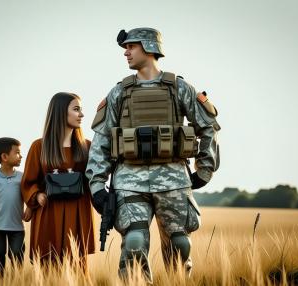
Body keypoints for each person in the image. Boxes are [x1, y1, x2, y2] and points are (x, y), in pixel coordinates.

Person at [86, 27, 221, 282]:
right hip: (129, 180)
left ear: (148, 47)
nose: (126, 53)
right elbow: (101, 139)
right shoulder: (119, 92)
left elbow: (209, 126)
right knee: (134, 242)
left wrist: (204, 169)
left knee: (180, 244)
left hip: (173, 180)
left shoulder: (179, 88)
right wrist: (96, 184)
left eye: (131, 47)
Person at [21, 92, 95, 270]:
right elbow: (28, 182)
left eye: (81, 110)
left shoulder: (88, 147)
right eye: (76, 109)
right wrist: (36, 196)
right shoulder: (39, 146)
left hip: (77, 212)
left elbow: (95, 180)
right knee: (47, 267)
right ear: (61, 112)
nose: (82, 115)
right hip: (48, 213)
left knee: (76, 267)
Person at [0, 137, 32, 275]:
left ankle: (17, 280)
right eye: (17, 152)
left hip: (17, 226)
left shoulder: (22, 177)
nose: (21, 156)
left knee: (16, 253)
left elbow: (28, 195)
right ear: (4, 156)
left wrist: (29, 208)